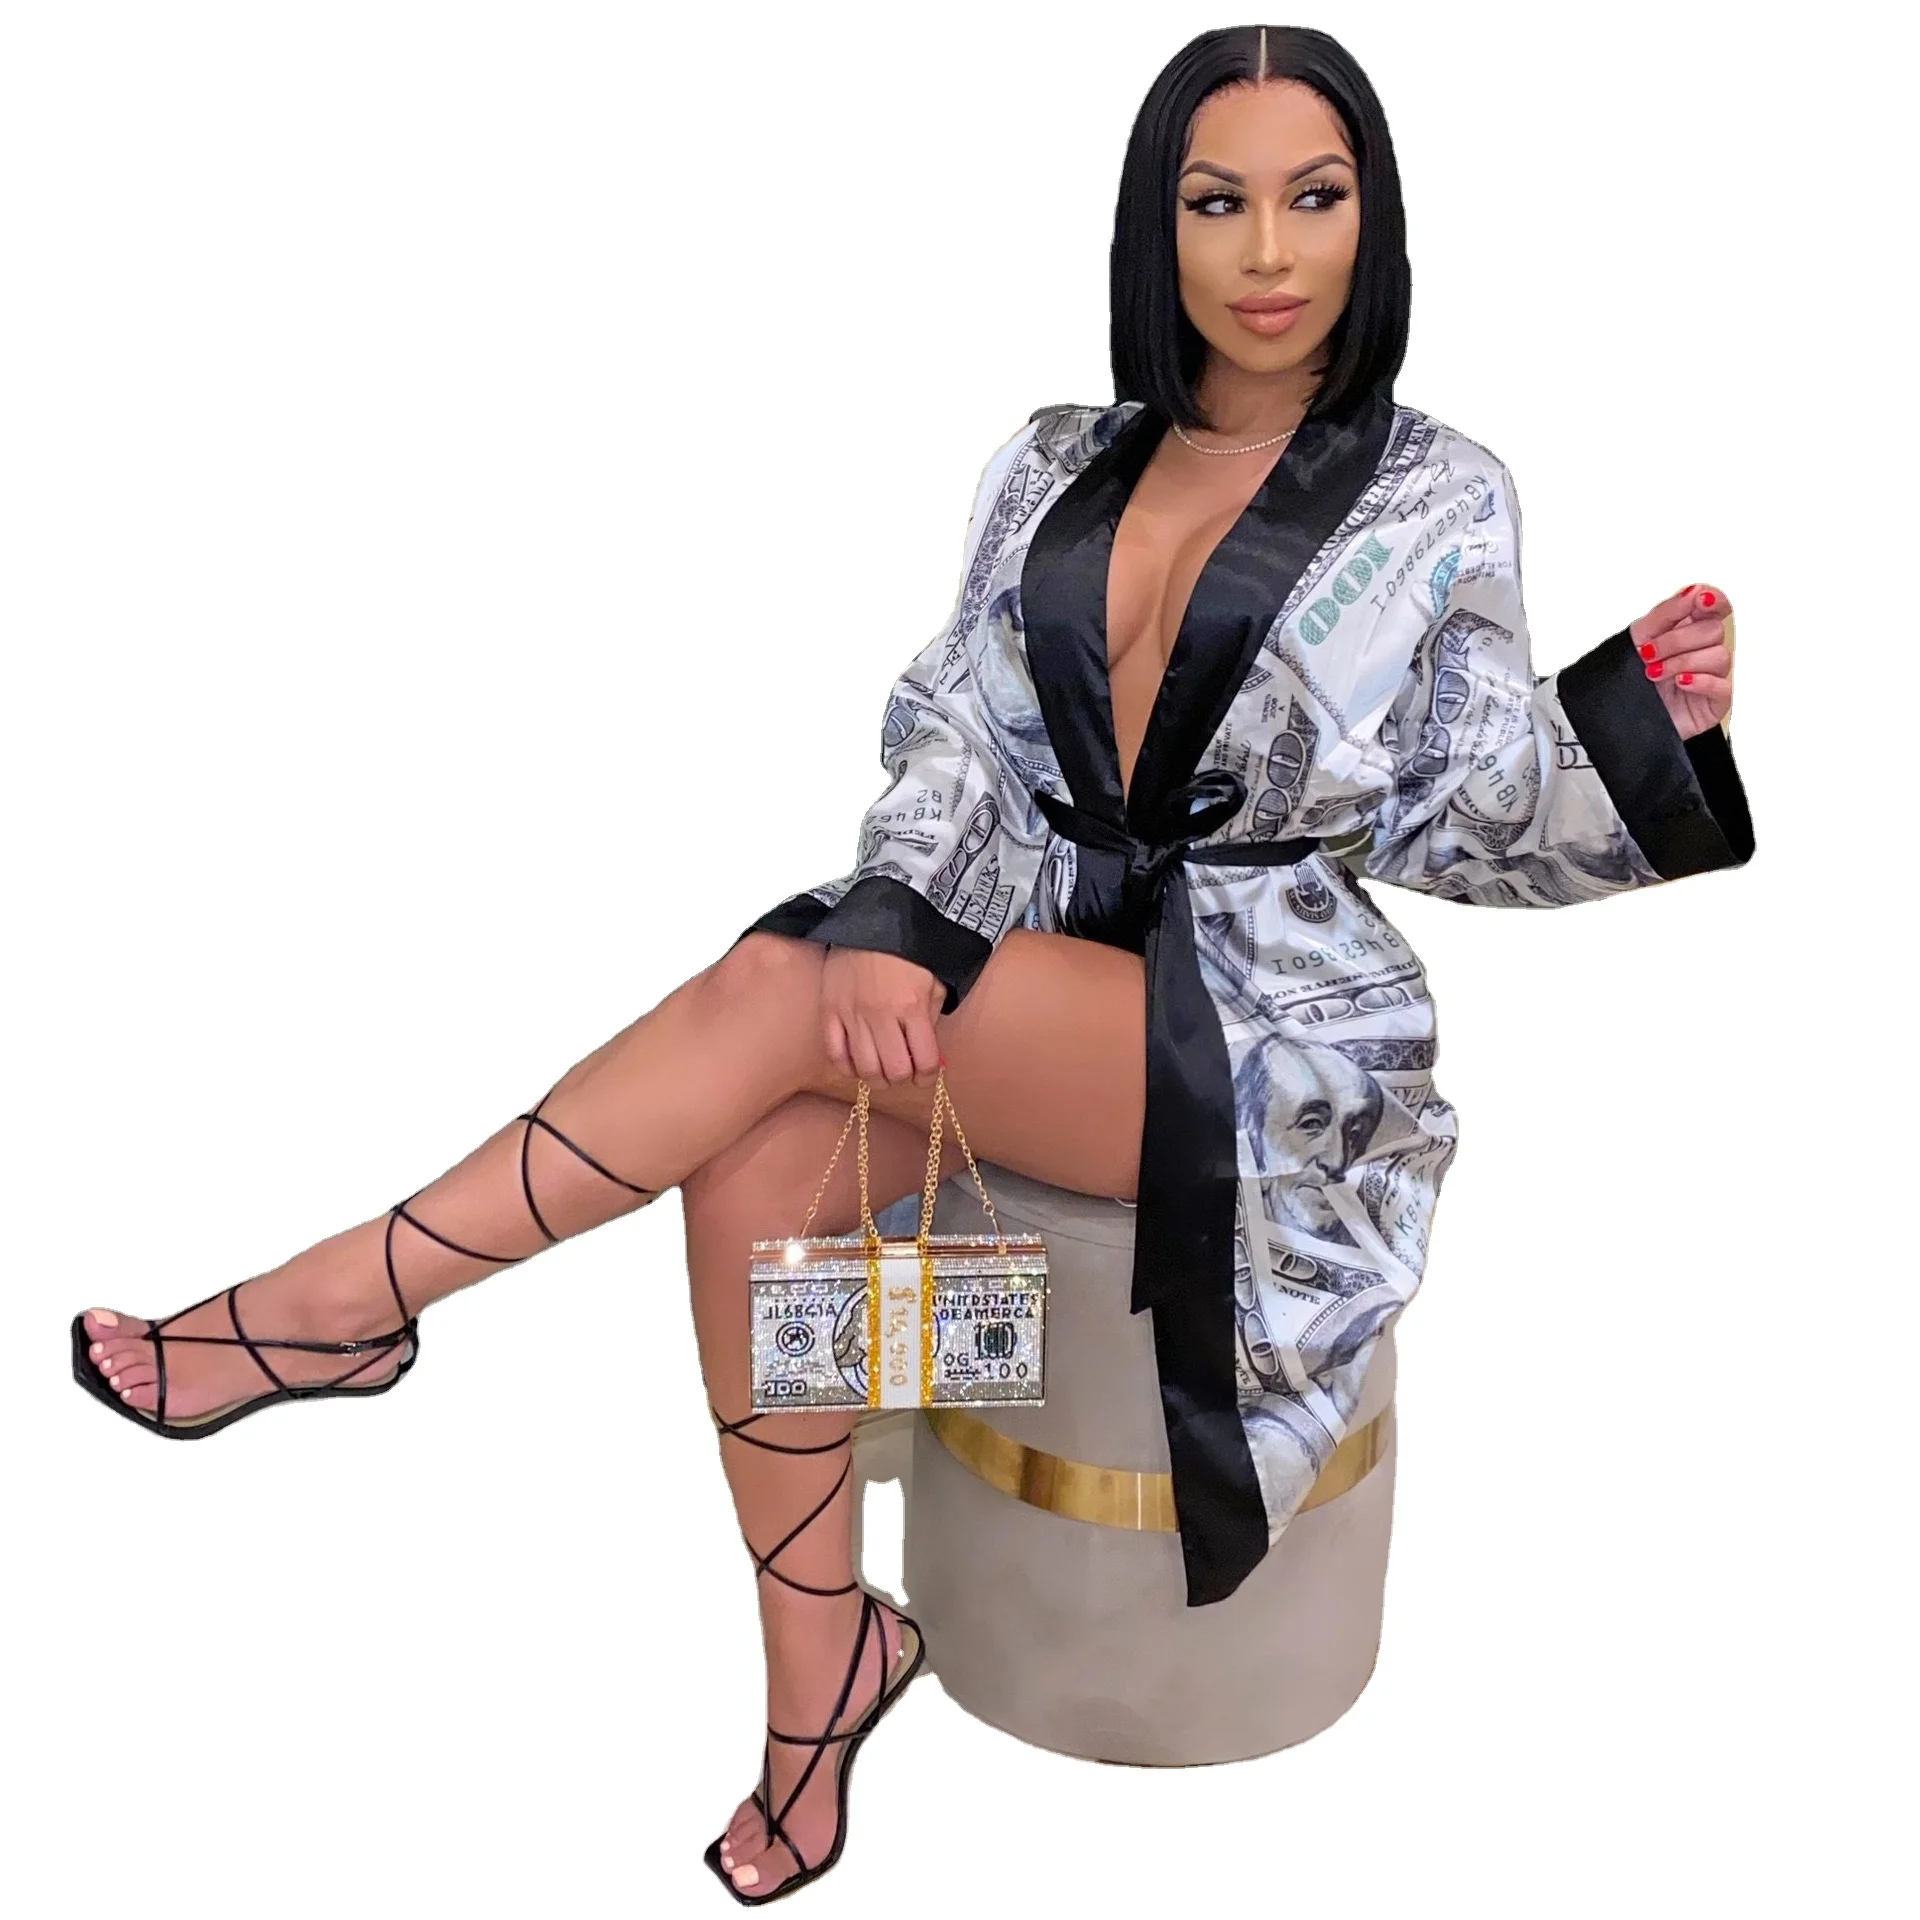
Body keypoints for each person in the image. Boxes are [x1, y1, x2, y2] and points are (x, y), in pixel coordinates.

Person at [67, 22, 1753, 1908]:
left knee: (785, 989)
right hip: (1035, 957)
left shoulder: (1438, 494)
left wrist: (1641, 727)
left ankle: (345, 1298)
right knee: (758, 1170)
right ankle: (822, 1683)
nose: (1270, 252)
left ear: (1376, 220)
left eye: (1315, 196)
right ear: (1157, 226)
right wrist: (903, 912)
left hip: (1260, 1033)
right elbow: (959, 732)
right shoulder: (1052, 462)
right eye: (1218, 202)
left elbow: (1458, 807)